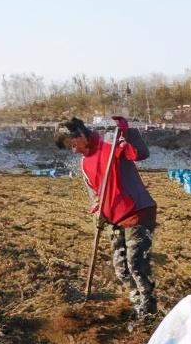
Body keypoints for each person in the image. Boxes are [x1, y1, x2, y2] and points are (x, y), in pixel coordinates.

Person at [55, 116, 158, 320]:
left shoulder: (111, 145)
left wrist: (127, 132)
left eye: (73, 144)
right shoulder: (85, 164)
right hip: (113, 219)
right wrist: (97, 213)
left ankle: (149, 312)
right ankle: (138, 303)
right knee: (121, 269)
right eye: (69, 148)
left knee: (136, 264)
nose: (73, 150)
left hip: (137, 211)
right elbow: (95, 195)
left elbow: (140, 153)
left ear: (81, 135)